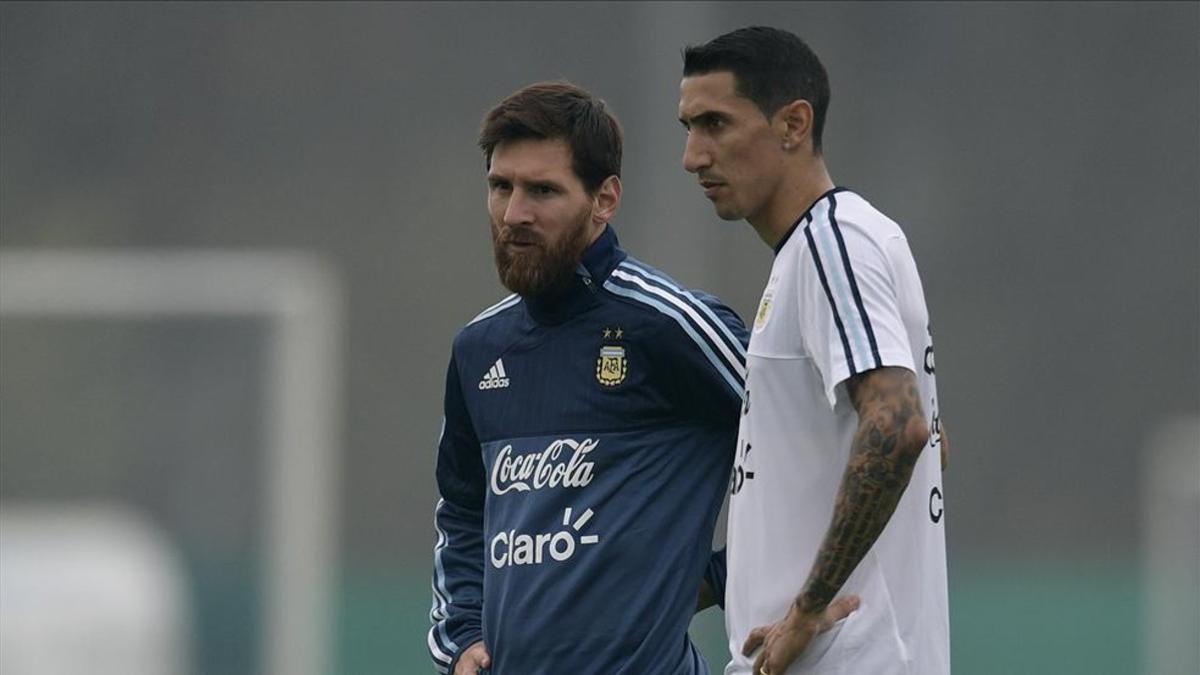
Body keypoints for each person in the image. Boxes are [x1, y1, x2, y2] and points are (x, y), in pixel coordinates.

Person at [427, 81, 750, 675]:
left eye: (543, 190)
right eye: (501, 187)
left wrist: (721, 578)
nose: (514, 213)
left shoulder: (670, 325)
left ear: (605, 200)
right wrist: (464, 634)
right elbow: (463, 511)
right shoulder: (479, 349)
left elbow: (817, 450)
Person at [677, 27, 950, 675]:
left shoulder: (835, 243)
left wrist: (807, 609)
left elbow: (900, 425)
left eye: (715, 123)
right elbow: (931, 436)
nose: (692, 155)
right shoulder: (822, 249)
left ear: (794, 124)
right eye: (688, 127)